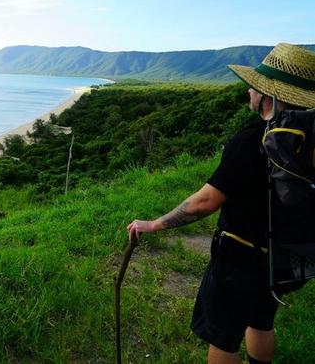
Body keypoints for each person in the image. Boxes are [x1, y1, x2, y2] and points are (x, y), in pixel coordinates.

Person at [127, 43, 315, 364]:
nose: (249, 94)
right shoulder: (308, 136)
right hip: (283, 254)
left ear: (269, 96)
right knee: (261, 319)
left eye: (254, 88)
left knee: (224, 337)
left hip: (240, 257)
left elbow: (204, 202)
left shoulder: (251, 139)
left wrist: (155, 224)